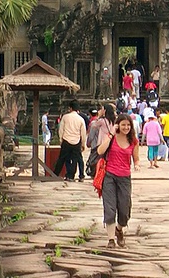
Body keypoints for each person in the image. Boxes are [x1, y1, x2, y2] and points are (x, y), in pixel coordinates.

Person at [96, 114, 140, 248]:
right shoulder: (111, 137)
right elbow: (100, 151)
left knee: (125, 209)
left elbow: (136, 157)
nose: (126, 127)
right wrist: (110, 135)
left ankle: (119, 229)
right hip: (109, 176)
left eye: (128, 125)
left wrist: (137, 164)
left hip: (125, 178)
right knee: (109, 207)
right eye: (123, 125)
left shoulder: (133, 141)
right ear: (118, 125)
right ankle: (110, 239)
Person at [55, 100, 87, 181]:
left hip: (66, 139)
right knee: (75, 159)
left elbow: (61, 129)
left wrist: (61, 139)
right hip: (76, 141)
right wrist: (83, 144)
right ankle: (71, 175)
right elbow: (83, 133)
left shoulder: (65, 117)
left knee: (62, 158)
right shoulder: (80, 119)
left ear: (70, 108)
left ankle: (56, 173)